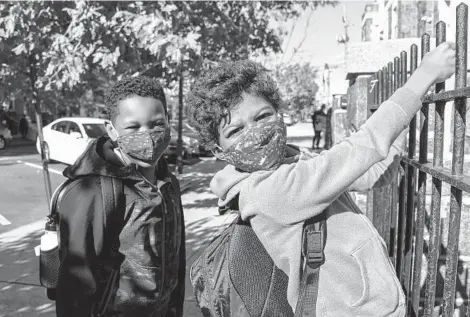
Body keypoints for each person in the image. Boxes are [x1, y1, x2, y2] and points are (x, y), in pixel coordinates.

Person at [185, 41, 455, 316]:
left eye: (263, 116)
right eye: (235, 130)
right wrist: (422, 77)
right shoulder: (268, 191)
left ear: (280, 114)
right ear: (219, 150)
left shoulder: (296, 163)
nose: (255, 133)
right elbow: (364, 146)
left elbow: (371, 174)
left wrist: (406, 120)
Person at [55, 76, 186, 317]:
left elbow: (177, 259)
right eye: (133, 127)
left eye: (157, 124)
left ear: (168, 121)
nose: (147, 134)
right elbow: (74, 286)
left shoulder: (168, 182)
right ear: (112, 130)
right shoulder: (93, 190)